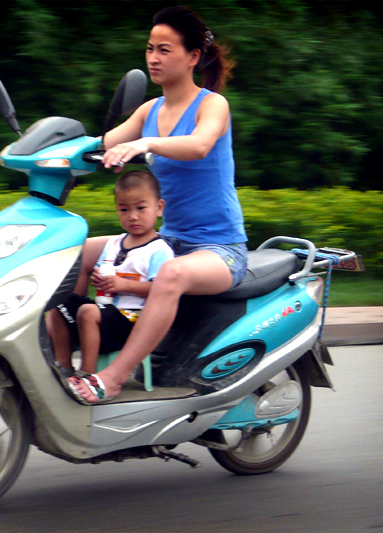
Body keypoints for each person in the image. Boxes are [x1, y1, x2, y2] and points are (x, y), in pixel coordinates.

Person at [65, 6, 248, 404]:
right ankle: (67, 357)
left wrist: (145, 144)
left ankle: (113, 377)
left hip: (218, 250)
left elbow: (199, 145)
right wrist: (36, 151)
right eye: (150, 48)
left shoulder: (211, 105)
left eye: (164, 50)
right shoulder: (149, 110)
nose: (153, 58)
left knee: (169, 276)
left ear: (193, 57)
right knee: (76, 251)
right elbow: (98, 146)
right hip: (165, 240)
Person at [47, 170, 173, 386]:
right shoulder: (114, 244)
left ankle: (87, 374)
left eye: (141, 208)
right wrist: (99, 279)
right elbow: (101, 270)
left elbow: (161, 290)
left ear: (159, 208)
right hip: (105, 312)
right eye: (124, 209)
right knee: (59, 302)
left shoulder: (159, 250)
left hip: (135, 319)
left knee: (87, 312)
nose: (133, 216)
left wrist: (124, 284)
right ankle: (63, 364)